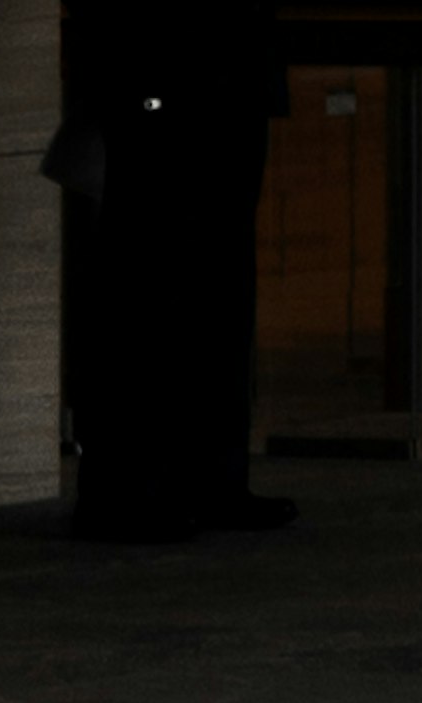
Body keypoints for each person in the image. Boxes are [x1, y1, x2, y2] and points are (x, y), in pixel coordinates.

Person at [58, 0, 297, 542]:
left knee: (219, 283)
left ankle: (209, 480)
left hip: (226, 61)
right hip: (157, 58)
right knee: (147, 278)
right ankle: (128, 487)